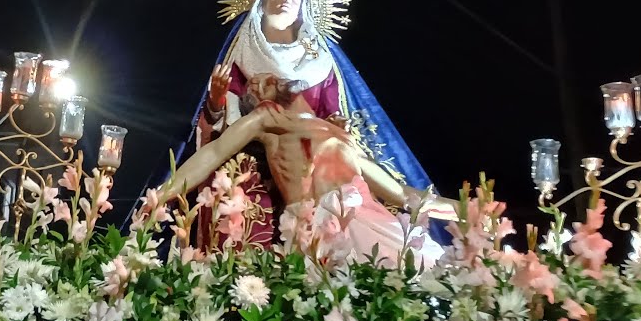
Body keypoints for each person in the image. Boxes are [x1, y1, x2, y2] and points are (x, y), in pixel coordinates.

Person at [180, 0, 450, 249]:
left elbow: (334, 114)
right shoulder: (242, 53)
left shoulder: (320, 60)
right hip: (255, 150)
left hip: (320, 156)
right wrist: (215, 101)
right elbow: (220, 125)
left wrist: (337, 123)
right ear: (260, 4)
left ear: (303, 10)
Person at [163, 87, 455, 267]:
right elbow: (213, 153)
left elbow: (404, 196)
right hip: (315, 225)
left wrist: (469, 211)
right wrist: (162, 194)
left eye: (262, 78)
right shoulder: (269, 121)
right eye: (253, 83)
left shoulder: (343, 137)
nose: (255, 81)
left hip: (371, 218)